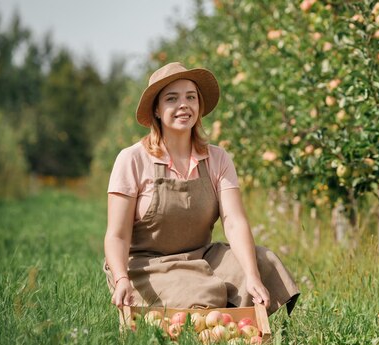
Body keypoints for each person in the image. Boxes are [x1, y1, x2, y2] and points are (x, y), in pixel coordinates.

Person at [103, 62, 299, 316]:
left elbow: (233, 221)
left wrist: (251, 275)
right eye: (172, 98)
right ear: (158, 111)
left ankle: (231, 325)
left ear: (199, 106)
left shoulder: (217, 158)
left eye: (191, 97)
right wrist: (121, 279)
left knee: (263, 261)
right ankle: (208, 320)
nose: (184, 105)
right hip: (148, 265)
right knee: (200, 291)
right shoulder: (133, 159)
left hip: (202, 257)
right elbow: (117, 235)